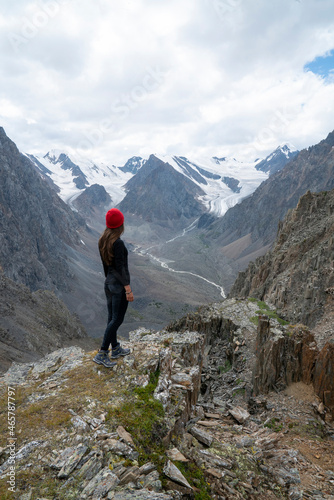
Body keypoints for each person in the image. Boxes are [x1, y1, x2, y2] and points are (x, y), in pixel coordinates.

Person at [93, 208, 133, 368]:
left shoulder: (103, 240)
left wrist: (108, 281)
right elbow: (121, 267)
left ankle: (115, 348)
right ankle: (102, 352)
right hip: (118, 286)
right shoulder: (118, 243)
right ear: (120, 225)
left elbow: (107, 266)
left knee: (111, 317)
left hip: (108, 284)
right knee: (117, 319)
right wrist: (128, 289)